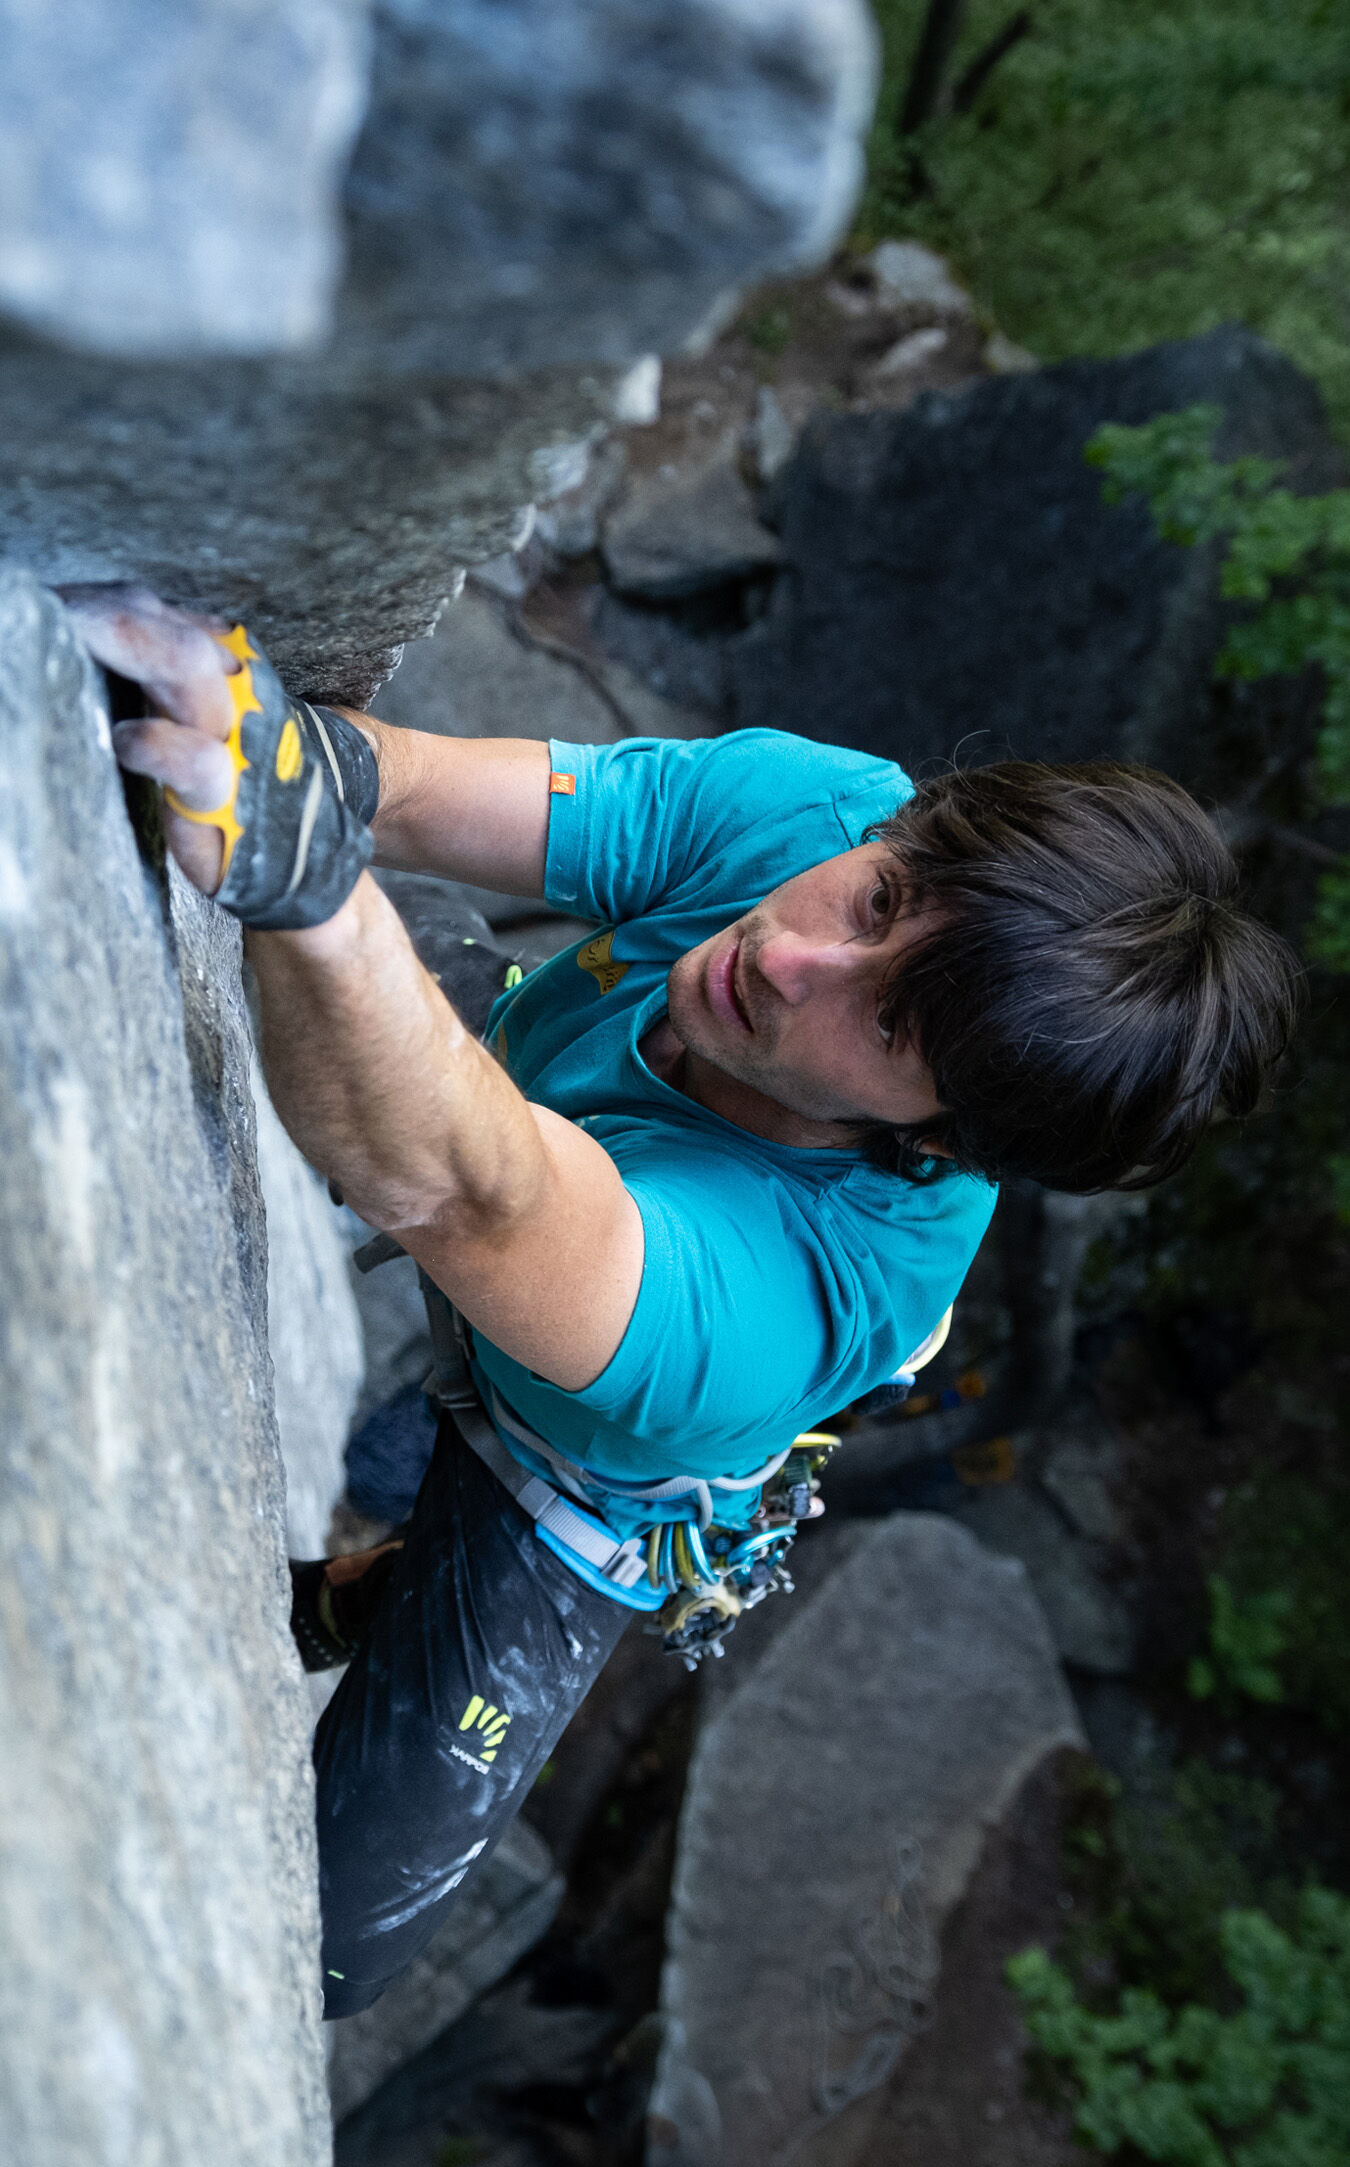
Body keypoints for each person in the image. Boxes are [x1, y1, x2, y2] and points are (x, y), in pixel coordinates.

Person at [67, 586, 1301, 2019]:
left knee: (333, 1942)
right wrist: (281, 757)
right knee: (405, 1003)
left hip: (573, 1461)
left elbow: (474, 1203)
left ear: (941, 1142)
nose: (788, 961)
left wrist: (307, 887)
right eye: (883, 897)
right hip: (522, 1083)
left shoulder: (812, 1288)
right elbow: (392, 781)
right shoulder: (830, 812)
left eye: (887, 1022)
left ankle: (380, 1592)